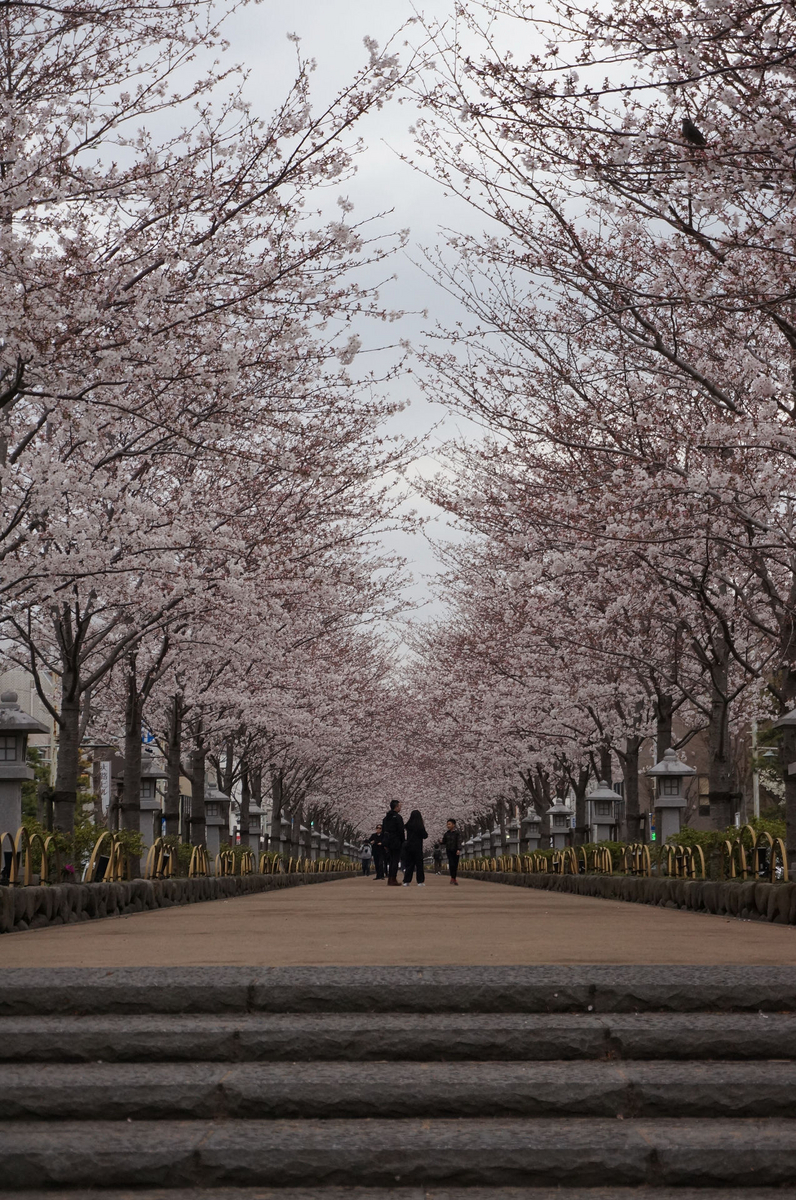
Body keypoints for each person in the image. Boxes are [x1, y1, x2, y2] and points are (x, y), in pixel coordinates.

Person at [381, 799, 405, 886]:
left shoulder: (386, 818)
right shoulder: (398, 817)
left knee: (391, 860)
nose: (400, 808)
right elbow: (401, 830)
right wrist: (403, 841)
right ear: (396, 807)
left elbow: (383, 830)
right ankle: (393, 879)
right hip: (396, 841)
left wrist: (385, 842)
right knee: (395, 860)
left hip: (388, 841)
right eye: (399, 806)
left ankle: (390, 879)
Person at [402, 809, 428, 886]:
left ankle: (406, 881)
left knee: (409, 864)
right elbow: (425, 836)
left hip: (409, 846)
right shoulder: (420, 826)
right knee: (419, 864)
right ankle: (420, 881)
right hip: (418, 847)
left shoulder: (408, 825)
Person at [442, 818, 461, 885]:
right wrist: (440, 842)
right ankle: (452, 878)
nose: (448, 825)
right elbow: (444, 841)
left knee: (455, 865)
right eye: (447, 824)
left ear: (453, 825)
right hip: (449, 850)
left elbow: (458, 841)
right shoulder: (446, 834)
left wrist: (458, 849)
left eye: (449, 824)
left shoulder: (457, 833)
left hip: (455, 851)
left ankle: (454, 878)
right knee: (451, 864)